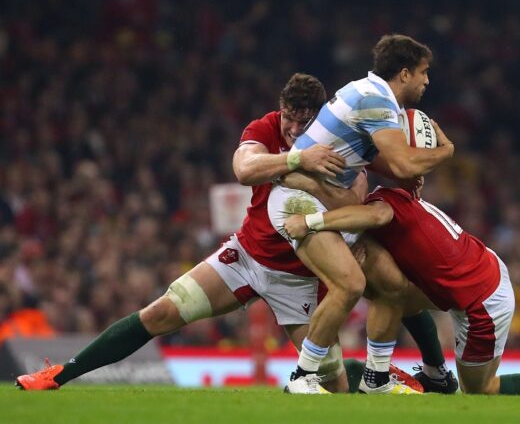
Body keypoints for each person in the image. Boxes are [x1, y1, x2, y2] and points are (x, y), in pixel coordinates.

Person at [15, 73, 356, 392]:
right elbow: (244, 168)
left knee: (330, 381)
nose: (294, 128)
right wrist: (297, 161)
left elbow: (354, 202)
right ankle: (58, 375)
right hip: (246, 257)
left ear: (320, 117)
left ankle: (377, 375)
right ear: (280, 110)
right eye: (288, 118)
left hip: (299, 278)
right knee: (160, 312)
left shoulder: (339, 145)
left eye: (304, 121)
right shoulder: (265, 127)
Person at [282, 186, 520, 397]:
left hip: (483, 301)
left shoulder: (382, 206)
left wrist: (312, 222)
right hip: (476, 272)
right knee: (393, 291)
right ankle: (434, 374)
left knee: (481, 389)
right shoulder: (392, 197)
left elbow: (377, 215)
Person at [267, 34, 455, 394]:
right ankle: (302, 377)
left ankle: (376, 380)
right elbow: (401, 162)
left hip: (329, 200)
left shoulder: (373, 96)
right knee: (349, 283)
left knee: (392, 286)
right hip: (297, 198)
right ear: (403, 74)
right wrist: (446, 151)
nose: (427, 81)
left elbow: (385, 162)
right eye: (423, 72)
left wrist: (408, 173)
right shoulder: (375, 99)